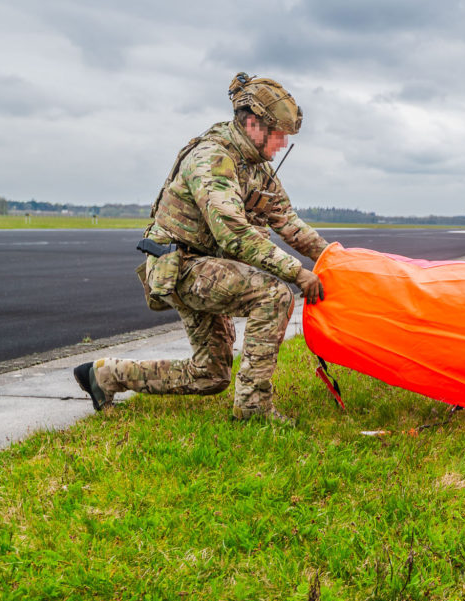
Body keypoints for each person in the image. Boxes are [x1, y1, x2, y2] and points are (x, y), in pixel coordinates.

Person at [74, 73, 329, 422]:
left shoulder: (257, 169)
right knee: (274, 296)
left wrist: (336, 258)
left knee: (211, 375)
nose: (282, 143)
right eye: (278, 134)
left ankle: (105, 376)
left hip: (206, 267)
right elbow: (233, 234)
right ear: (253, 124)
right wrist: (297, 273)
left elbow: (288, 222)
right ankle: (253, 408)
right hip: (183, 267)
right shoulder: (213, 157)